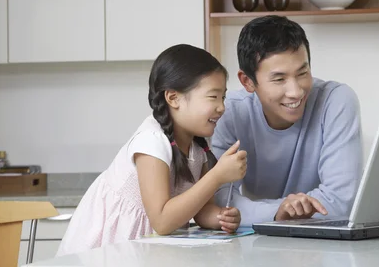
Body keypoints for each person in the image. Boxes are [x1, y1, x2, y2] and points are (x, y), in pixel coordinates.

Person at [57, 44, 248, 255]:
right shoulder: (152, 141)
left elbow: (201, 210)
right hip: (108, 249)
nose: (222, 107)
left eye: (223, 97)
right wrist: (217, 177)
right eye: (213, 97)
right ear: (173, 98)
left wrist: (220, 217)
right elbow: (162, 221)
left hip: (148, 249)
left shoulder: (198, 147)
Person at [211, 16, 363, 227]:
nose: (296, 92)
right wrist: (277, 212)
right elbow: (221, 201)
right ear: (247, 81)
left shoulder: (336, 100)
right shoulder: (230, 113)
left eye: (303, 73)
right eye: (279, 79)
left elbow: (341, 201)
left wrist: (265, 214)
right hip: (257, 243)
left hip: (323, 245)